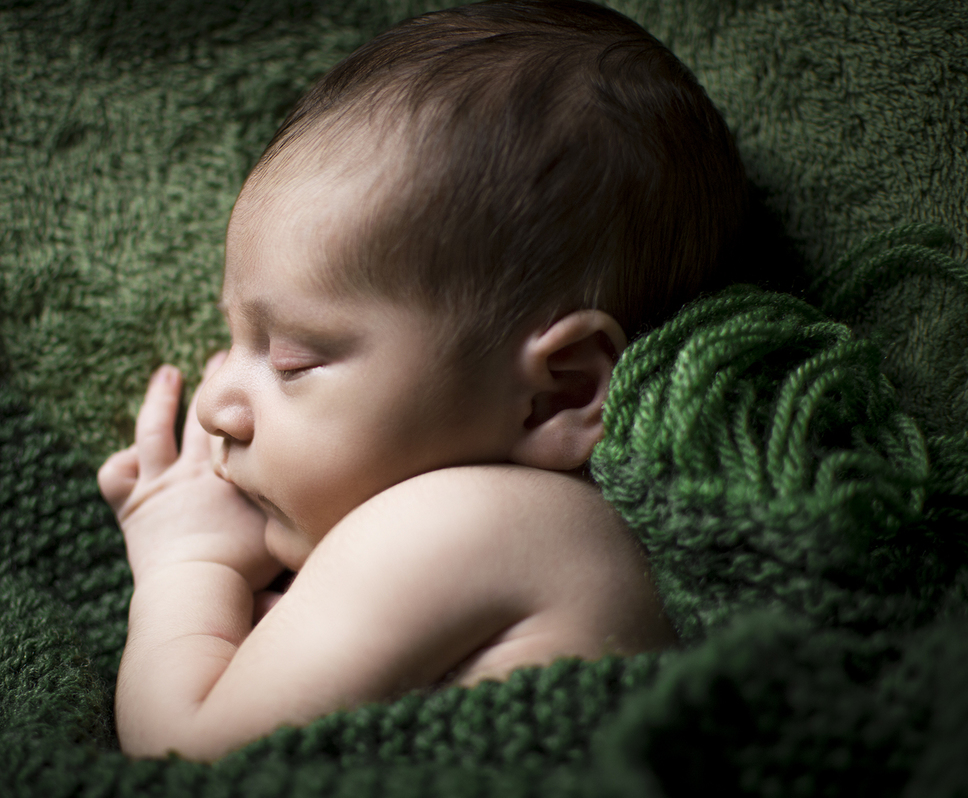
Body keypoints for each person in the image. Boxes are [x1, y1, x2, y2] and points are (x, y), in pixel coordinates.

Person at [98, 0, 746, 761]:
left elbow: (189, 760)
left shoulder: (457, 520)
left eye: (293, 361)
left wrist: (187, 561)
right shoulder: (567, 543)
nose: (213, 406)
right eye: (232, 337)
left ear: (560, 393)